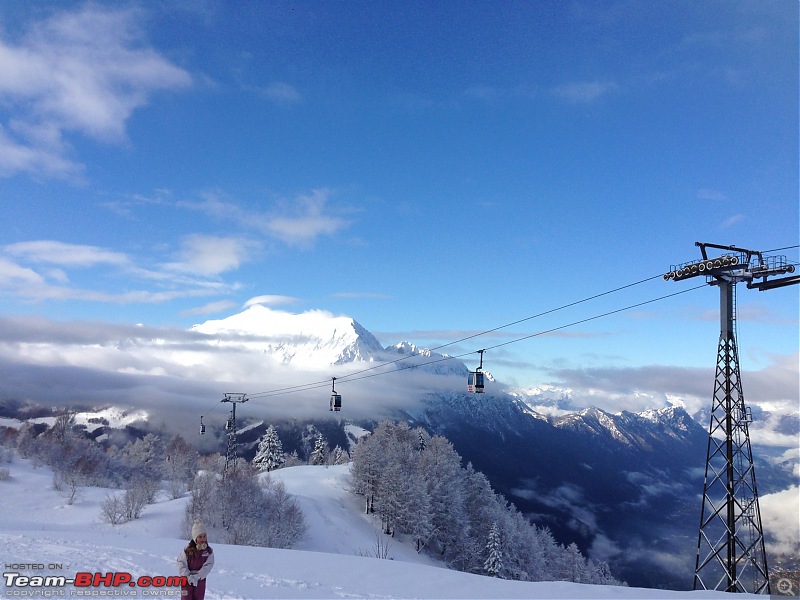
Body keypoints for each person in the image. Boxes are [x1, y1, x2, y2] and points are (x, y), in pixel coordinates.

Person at [177, 519, 214, 600]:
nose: (203, 539)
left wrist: (199, 576)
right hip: (187, 579)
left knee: (199, 597)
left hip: (200, 580)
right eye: (200, 537)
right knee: (186, 597)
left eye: (204, 536)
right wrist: (186, 575)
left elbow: (208, 565)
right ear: (195, 538)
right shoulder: (187, 550)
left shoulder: (208, 551)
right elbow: (181, 562)